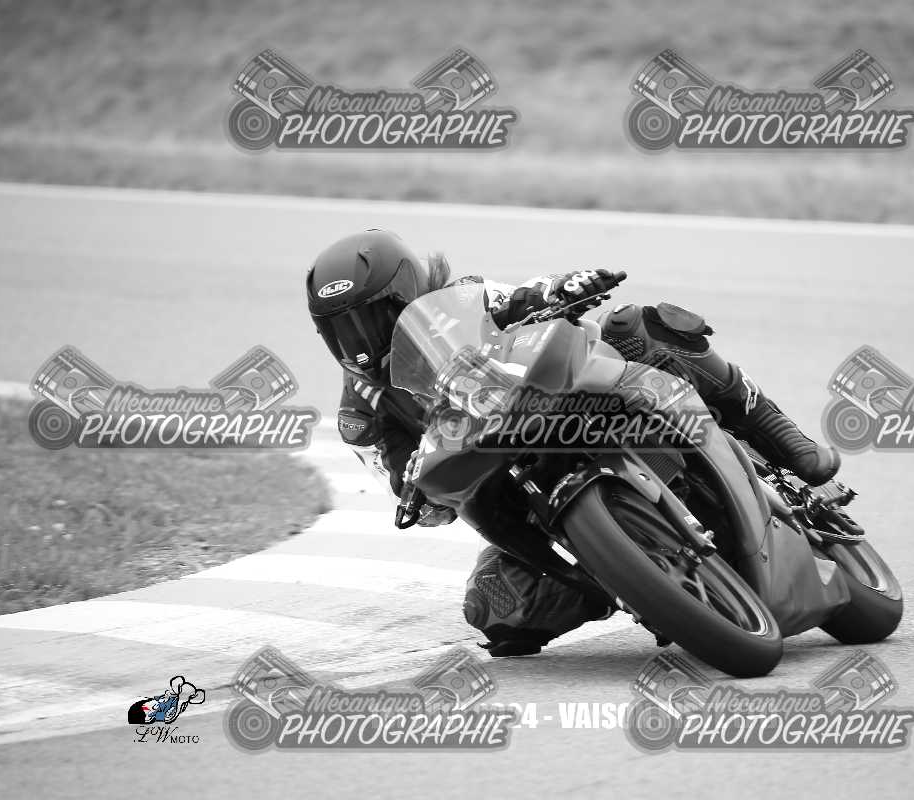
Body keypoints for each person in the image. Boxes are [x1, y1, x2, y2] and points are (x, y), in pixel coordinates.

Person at [307, 229, 840, 656]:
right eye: (342, 331)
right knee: (494, 610)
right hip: (508, 485)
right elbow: (403, 480)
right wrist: (418, 495)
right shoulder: (362, 411)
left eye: (370, 317)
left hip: (562, 404)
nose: (361, 341)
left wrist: (565, 288)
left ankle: (777, 433)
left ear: (407, 290)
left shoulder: (463, 300)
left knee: (636, 326)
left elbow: (525, 298)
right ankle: (635, 581)